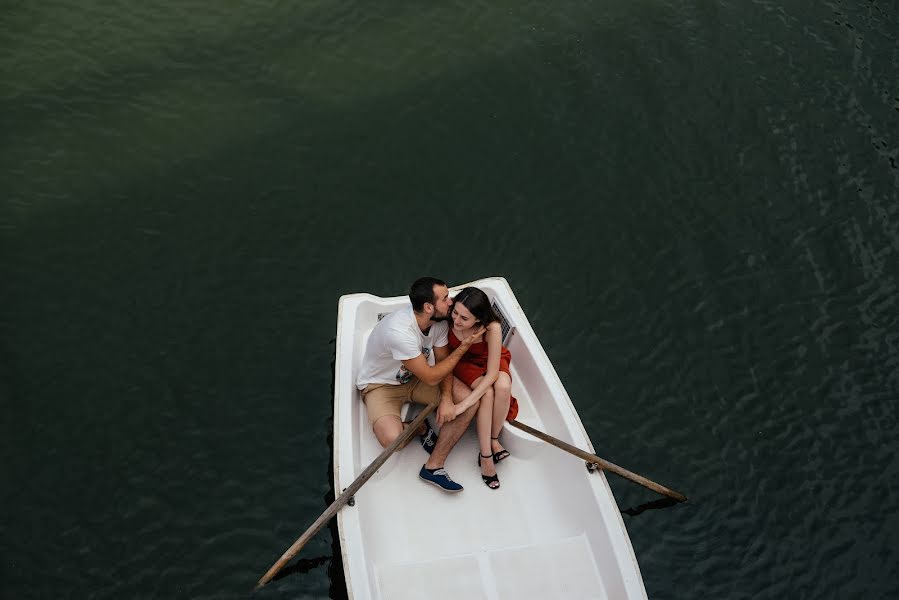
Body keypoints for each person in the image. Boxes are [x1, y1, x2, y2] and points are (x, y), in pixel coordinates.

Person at [356, 277, 485, 493]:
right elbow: (433, 376)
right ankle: (420, 427)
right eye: (445, 299)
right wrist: (463, 348)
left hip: (416, 378)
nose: (451, 302)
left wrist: (446, 399)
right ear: (428, 307)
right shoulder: (400, 333)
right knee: (392, 440)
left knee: (470, 402)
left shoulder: (439, 322)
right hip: (381, 385)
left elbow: (443, 363)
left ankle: (434, 466)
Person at [446, 287, 519, 489]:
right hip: (462, 361)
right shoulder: (449, 311)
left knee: (503, 387)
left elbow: (493, 372)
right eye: (455, 313)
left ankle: (493, 438)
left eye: (464, 318)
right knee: (487, 393)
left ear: (478, 319)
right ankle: (486, 455)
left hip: (488, 358)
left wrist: (464, 405)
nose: (456, 321)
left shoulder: (492, 326)